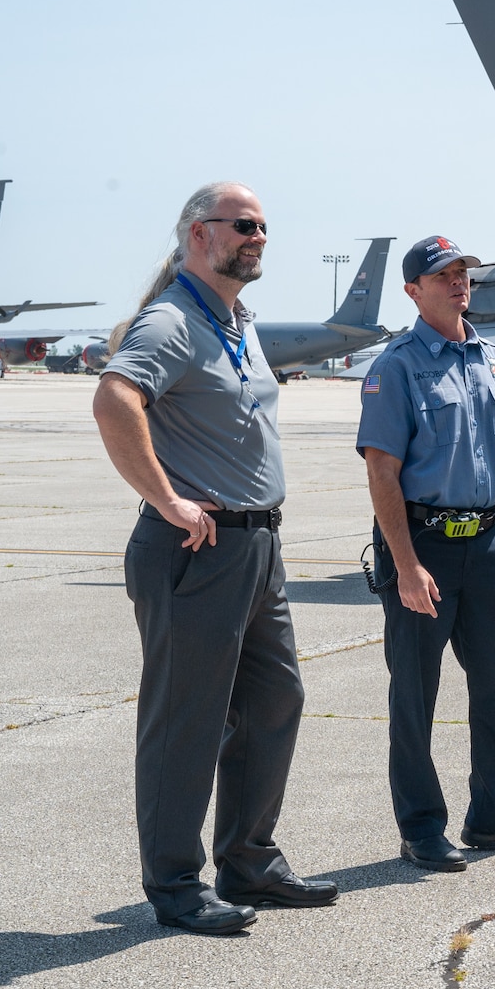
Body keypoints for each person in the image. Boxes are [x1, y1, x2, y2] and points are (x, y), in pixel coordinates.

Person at [93, 182, 335, 935]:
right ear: (199, 233)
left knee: (275, 699)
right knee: (187, 719)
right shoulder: (172, 320)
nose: (258, 235)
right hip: (197, 549)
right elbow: (113, 400)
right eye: (244, 225)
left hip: (257, 545)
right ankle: (173, 883)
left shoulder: (237, 320)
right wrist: (168, 500)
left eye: (264, 226)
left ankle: (249, 860)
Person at [357, 236, 495, 872]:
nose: (457, 283)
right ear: (414, 291)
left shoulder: (493, 361)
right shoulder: (396, 367)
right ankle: (421, 827)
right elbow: (382, 472)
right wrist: (407, 563)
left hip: (492, 544)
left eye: (462, 273)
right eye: (442, 275)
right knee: (415, 696)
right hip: (424, 546)